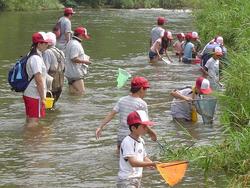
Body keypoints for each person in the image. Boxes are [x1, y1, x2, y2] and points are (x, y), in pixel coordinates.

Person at [95, 76, 157, 151]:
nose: (146, 92)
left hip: (121, 135)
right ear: (141, 89)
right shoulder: (142, 104)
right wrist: (152, 134)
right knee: (134, 157)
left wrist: (100, 127)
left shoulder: (122, 100)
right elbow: (145, 124)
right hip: (133, 136)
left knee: (120, 156)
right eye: (146, 89)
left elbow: (112, 113)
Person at [117, 110, 158, 188]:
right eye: (144, 126)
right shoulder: (127, 142)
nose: (146, 129)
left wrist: (153, 164)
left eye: (147, 126)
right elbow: (133, 163)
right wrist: (151, 164)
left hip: (136, 178)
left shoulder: (141, 140)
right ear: (133, 128)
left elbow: (143, 157)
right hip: (127, 180)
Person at [23, 32, 49, 127]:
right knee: (33, 122)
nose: (47, 45)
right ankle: (33, 140)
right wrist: (43, 98)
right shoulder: (36, 58)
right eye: (45, 43)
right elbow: (38, 79)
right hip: (35, 94)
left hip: (29, 92)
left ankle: (28, 139)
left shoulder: (31, 54)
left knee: (29, 119)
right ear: (39, 44)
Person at [64, 26, 91, 95]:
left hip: (69, 72)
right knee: (81, 92)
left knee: (72, 93)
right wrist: (86, 62)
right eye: (84, 36)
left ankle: (71, 105)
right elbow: (74, 58)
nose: (84, 38)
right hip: (75, 73)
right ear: (81, 35)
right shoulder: (75, 45)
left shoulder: (70, 42)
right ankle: (79, 106)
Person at [43, 32, 65, 106]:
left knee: (46, 106)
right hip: (59, 83)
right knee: (52, 105)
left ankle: (48, 117)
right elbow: (64, 68)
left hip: (50, 84)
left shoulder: (47, 52)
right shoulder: (61, 52)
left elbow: (45, 69)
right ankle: (53, 117)